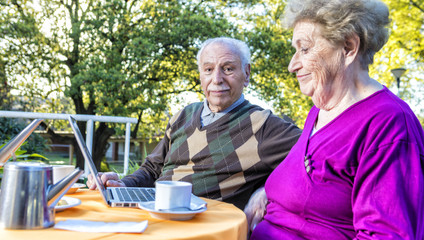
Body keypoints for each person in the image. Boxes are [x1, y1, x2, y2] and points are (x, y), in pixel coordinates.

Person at [248, 0, 424, 239]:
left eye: (305, 49)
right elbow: (306, 186)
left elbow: (385, 234)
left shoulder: (389, 125)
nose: (292, 65)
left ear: (349, 47)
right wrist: (266, 192)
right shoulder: (320, 111)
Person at [87, 37, 302, 209]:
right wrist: (122, 184)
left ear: (246, 74)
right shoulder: (183, 116)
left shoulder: (263, 126)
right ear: (201, 76)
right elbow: (152, 169)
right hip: (152, 210)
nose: (217, 79)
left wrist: (267, 190)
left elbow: (319, 152)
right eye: (208, 70)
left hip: (201, 225)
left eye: (228, 68)